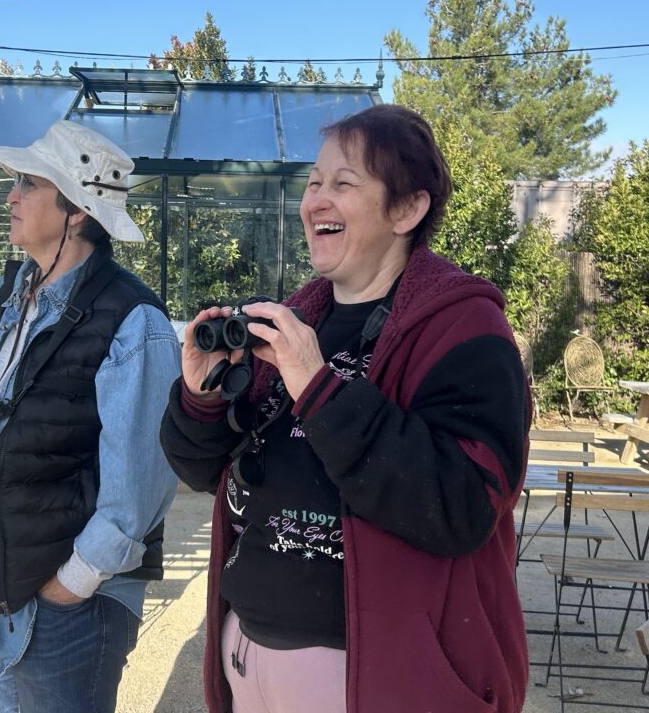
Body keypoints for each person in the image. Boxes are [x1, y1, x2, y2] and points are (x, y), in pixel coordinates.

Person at [160, 104, 530, 713]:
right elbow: (200, 470)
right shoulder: (301, 318)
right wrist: (201, 400)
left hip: (373, 680)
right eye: (313, 183)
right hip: (247, 659)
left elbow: (461, 508)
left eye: (344, 184)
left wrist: (320, 388)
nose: (316, 202)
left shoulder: (466, 331)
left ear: (408, 209)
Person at [0, 120, 181, 713]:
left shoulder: (134, 323)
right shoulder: (4, 297)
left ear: (77, 212)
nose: (10, 195)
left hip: (63, 601)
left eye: (28, 183)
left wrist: (72, 585)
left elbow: (141, 484)